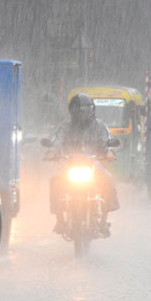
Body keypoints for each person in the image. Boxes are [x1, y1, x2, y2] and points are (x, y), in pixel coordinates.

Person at [47, 93, 120, 235]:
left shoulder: (100, 126)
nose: (81, 114)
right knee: (55, 180)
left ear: (91, 110)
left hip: (94, 163)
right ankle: (60, 220)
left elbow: (108, 140)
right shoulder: (66, 126)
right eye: (77, 111)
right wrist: (52, 152)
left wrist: (110, 152)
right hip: (69, 164)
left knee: (108, 180)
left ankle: (103, 221)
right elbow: (57, 140)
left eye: (84, 110)